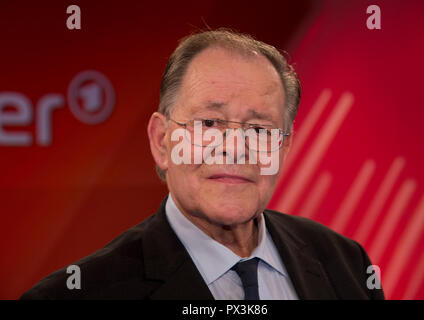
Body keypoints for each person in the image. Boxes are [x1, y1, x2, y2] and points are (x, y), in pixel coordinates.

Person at [21, 29, 384, 300]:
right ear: (161, 140)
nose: (235, 149)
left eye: (259, 129)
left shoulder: (347, 264)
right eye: (209, 123)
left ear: (283, 148)